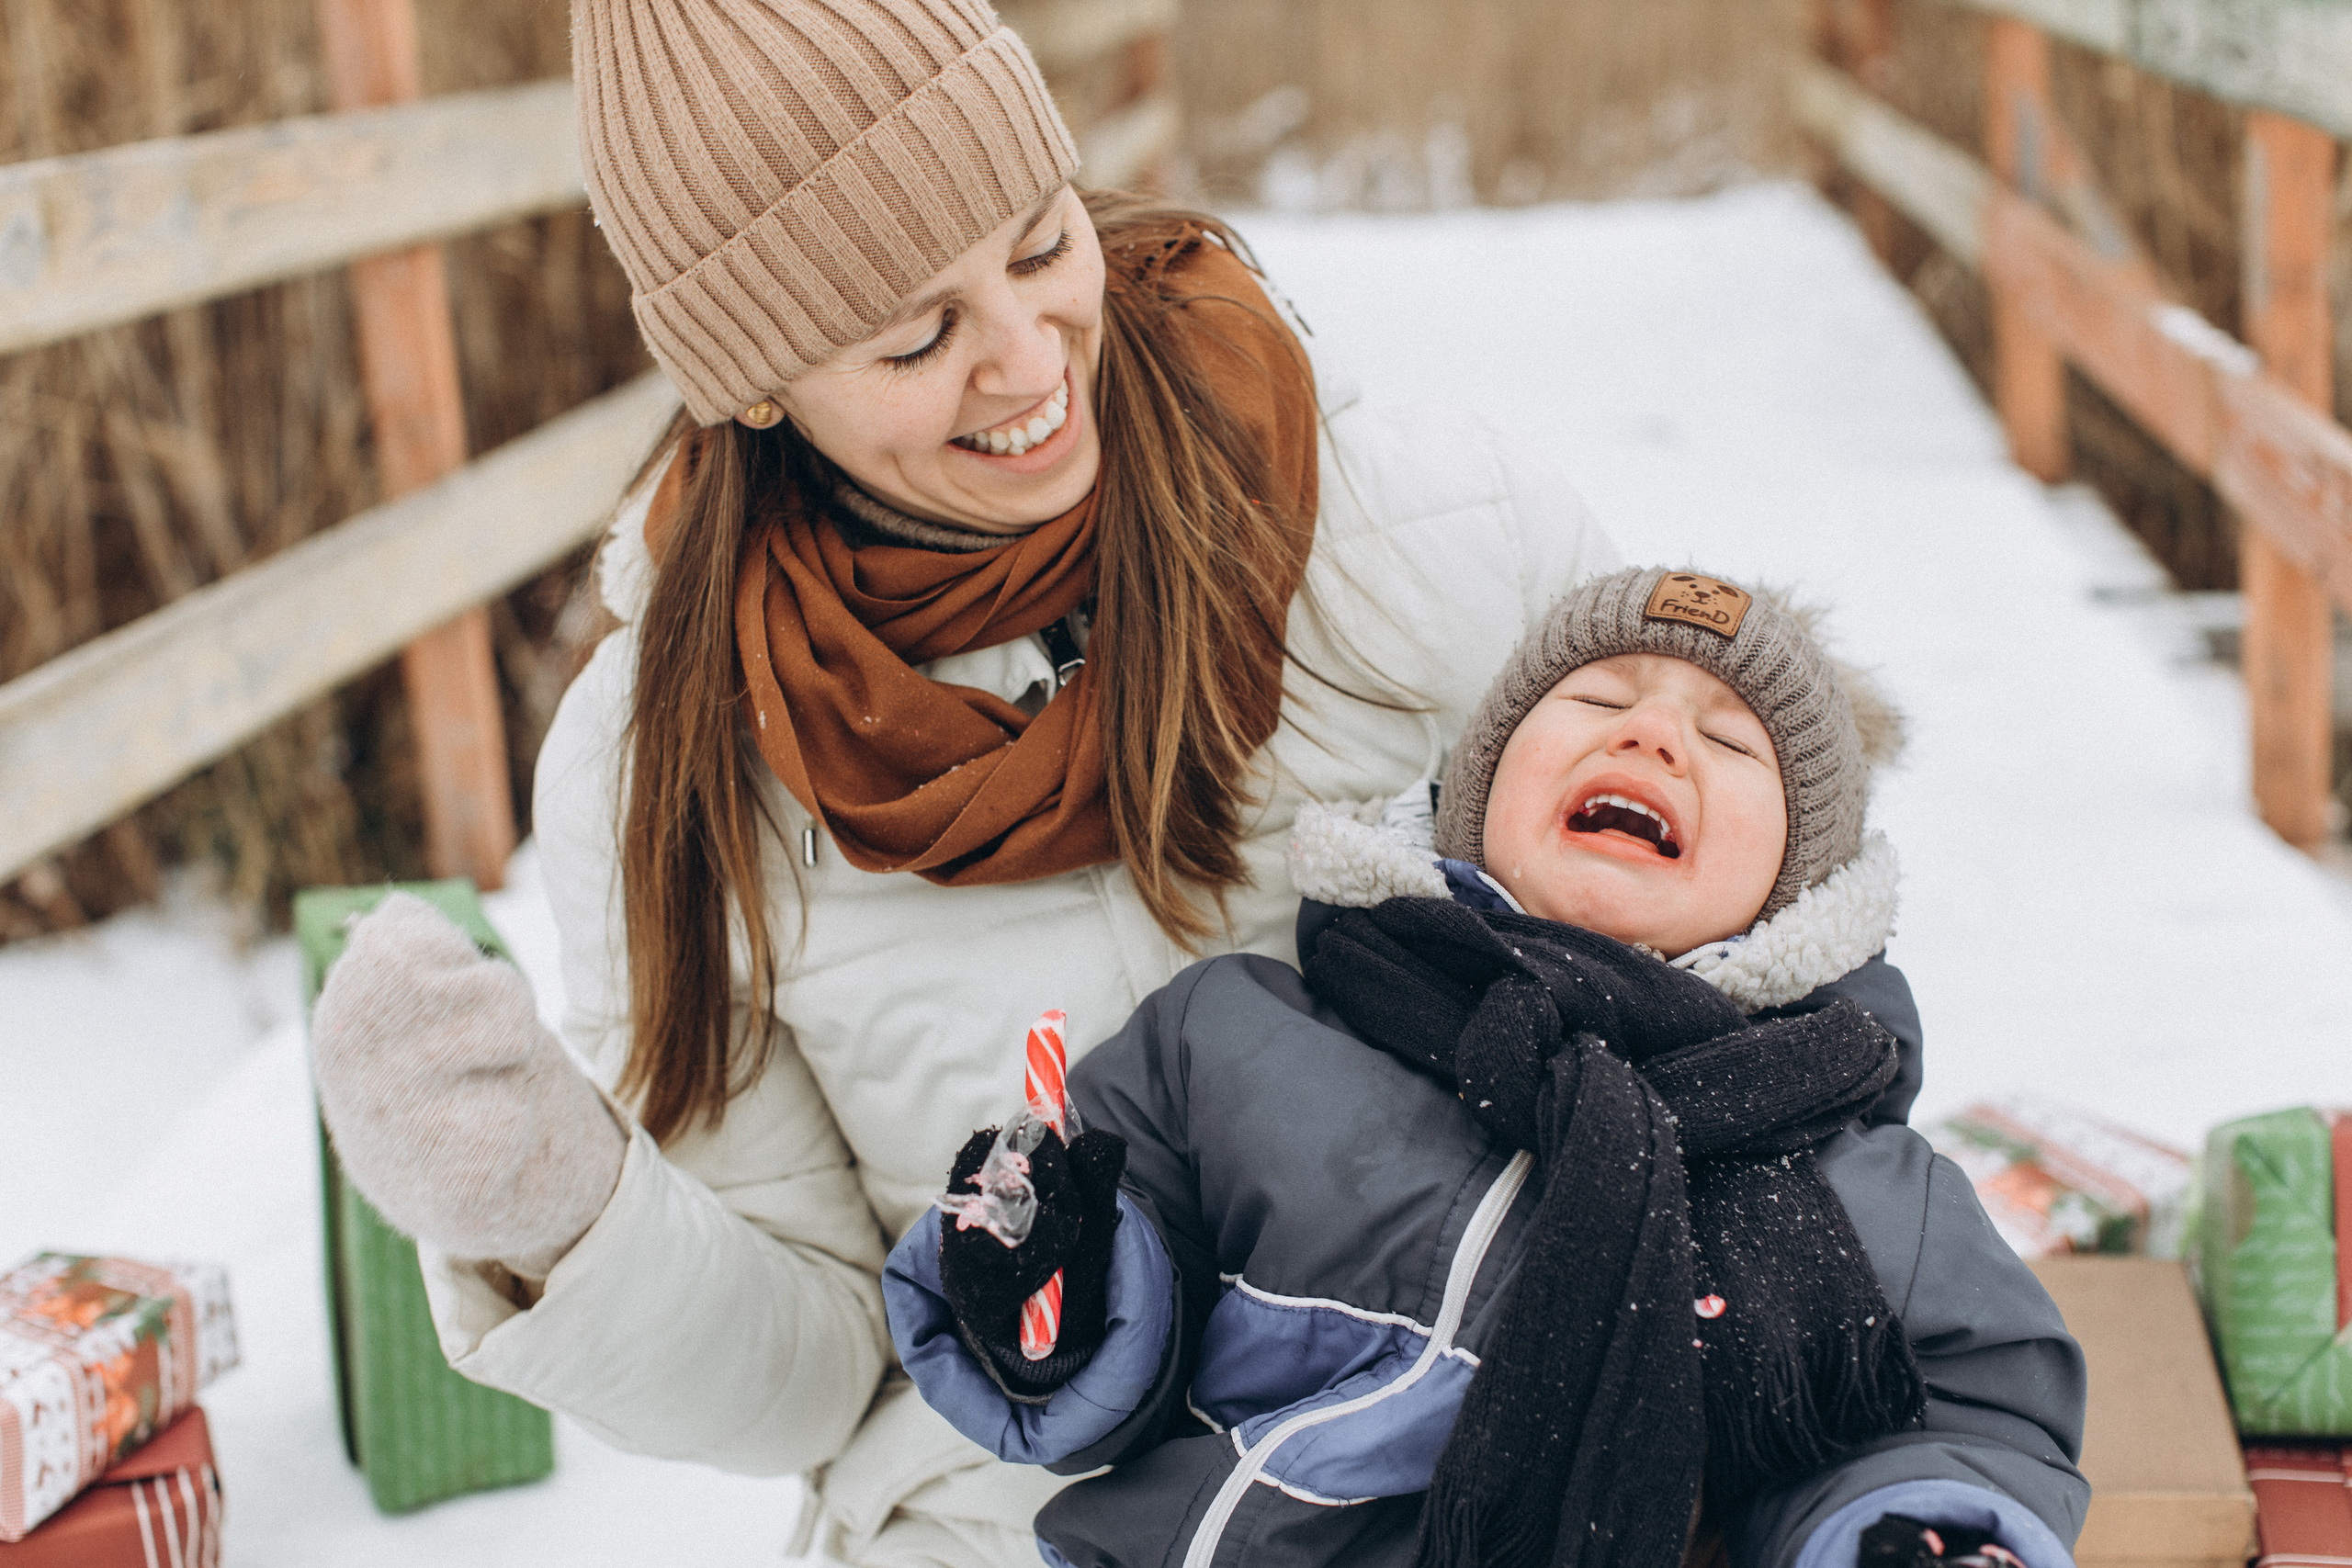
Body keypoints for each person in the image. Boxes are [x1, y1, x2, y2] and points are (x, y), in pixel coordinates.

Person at [303, 0, 1619, 1562]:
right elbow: (808, 1372)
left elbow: (1740, 1012)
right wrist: (563, 1218)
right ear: (759, 384)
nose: (1025, 361)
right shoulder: (667, 768)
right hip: (1016, 1522)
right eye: (914, 334)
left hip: (1510, 1456)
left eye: (1042, 242)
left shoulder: (1431, 527)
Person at [883, 568, 2090, 1568]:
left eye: (1729, 741)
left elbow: (1968, 1408)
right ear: (1474, 787)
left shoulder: (1853, 1191)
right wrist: (1042, 1290)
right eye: (1596, 698)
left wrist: (1915, 1530)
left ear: (1797, 892)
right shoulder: (1240, 1042)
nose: (1652, 732)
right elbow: (1101, 1358)